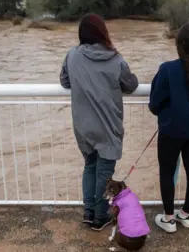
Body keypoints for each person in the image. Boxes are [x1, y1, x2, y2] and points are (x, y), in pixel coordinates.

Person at [60, 13, 139, 231]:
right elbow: (131, 85)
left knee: (90, 166)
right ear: (103, 32)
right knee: (104, 172)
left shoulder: (72, 56)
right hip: (108, 127)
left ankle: (89, 212)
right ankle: (99, 216)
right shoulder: (115, 59)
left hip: (83, 126)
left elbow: (64, 81)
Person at [148, 22, 189, 233]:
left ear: (180, 45)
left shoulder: (168, 69)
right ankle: (186, 215)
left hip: (171, 130)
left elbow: (154, 103)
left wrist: (167, 113)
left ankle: (168, 219)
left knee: (167, 172)